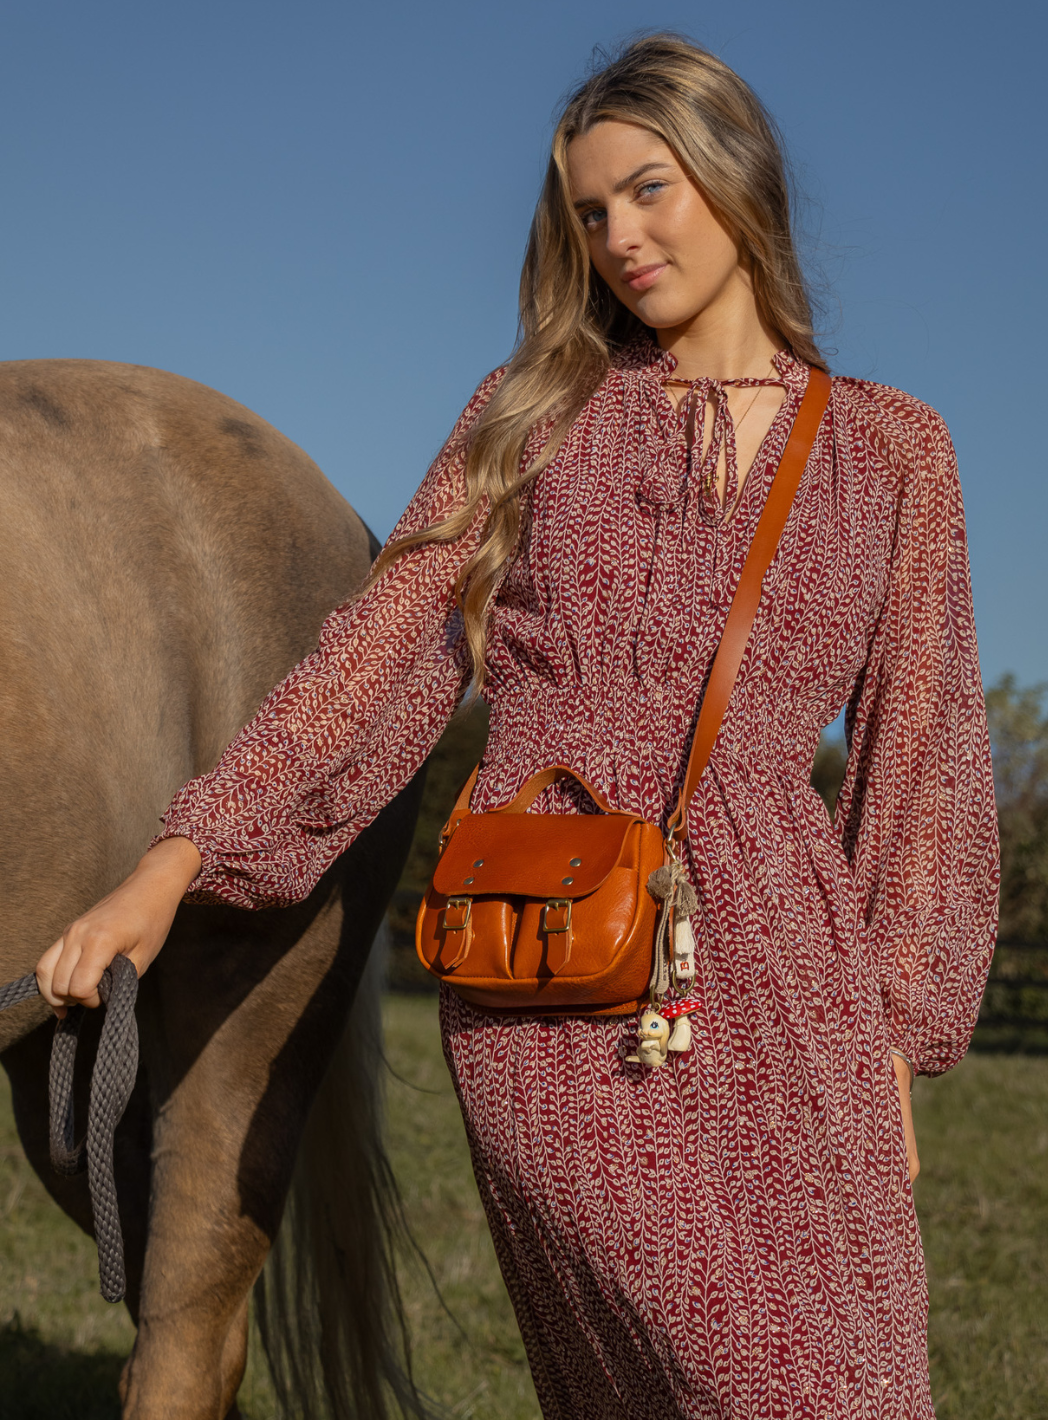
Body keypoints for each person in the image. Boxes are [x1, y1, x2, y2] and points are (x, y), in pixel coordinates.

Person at [36, 34, 999, 1420]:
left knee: (856, 1386)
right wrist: (175, 863)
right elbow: (370, 667)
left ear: (736, 174)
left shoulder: (896, 452)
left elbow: (928, 767)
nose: (620, 236)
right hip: (559, 973)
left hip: (797, 993)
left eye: (649, 190)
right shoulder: (532, 417)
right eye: (590, 212)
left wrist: (892, 1042)